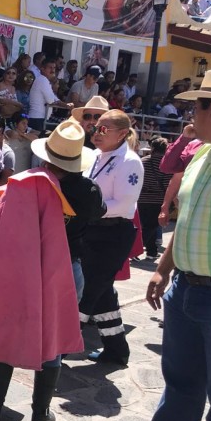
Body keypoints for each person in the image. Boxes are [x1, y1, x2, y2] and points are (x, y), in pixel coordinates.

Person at [0, 120, 105, 421]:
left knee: (7, 333)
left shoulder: (25, 183)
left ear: (48, 155)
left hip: (21, 269)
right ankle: (40, 414)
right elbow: (99, 212)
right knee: (52, 342)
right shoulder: (89, 190)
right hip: (66, 271)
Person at [124, 70, 211, 421]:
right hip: (186, 288)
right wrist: (163, 266)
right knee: (181, 383)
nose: (191, 115)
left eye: (197, 107)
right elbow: (187, 222)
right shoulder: (203, 156)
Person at [79, 110, 144, 366]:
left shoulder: (130, 161)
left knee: (89, 291)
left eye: (104, 129)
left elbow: (125, 202)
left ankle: (60, 348)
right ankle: (117, 350)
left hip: (113, 233)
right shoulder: (95, 156)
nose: (97, 133)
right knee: (102, 292)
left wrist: (92, 209)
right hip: (92, 229)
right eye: (96, 127)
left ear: (122, 134)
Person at [137, 137, 171, 260]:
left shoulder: (143, 161)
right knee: (151, 226)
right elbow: (168, 184)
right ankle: (134, 250)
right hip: (157, 199)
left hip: (141, 198)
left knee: (147, 225)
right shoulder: (167, 164)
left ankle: (151, 251)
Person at [28, 58, 73, 132]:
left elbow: (55, 99)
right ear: (42, 69)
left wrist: (66, 105)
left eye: (54, 68)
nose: (53, 70)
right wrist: (66, 105)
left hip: (40, 118)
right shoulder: (42, 80)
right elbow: (51, 101)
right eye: (50, 68)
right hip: (37, 119)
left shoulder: (45, 80)